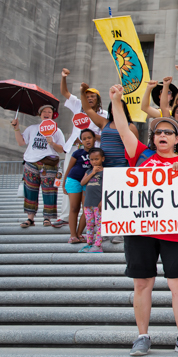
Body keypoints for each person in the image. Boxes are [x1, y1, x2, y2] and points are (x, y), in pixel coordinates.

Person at [109, 84, 178, 357]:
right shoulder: (141, 155)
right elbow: (121, 128)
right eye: (158, 132)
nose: (162, 135)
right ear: (152, 138)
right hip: (141, 229)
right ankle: (142, 336)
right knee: (142, 283)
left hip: (176, 232)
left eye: (169, 132)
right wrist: (117, 102)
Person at [54, 68, 107, 229]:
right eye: (87, 96)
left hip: (93, 154)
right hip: (74, 150)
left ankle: (92, 219)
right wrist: (63, 77)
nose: (89, 99)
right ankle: (64, 215)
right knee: (71, 180)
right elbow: (64, 92)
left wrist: (89, 138)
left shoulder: (104, 114)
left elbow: (105, 134)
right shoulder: (78, 105)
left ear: (98, 99)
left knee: (92, 184)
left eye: (92, 97)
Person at [12, 104, 65, 228]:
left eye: (49, 112)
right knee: (30, 191)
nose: (47, 114)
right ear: (40, 114)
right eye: (44, 112)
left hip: (48, 164)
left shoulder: (57, 130)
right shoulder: (32, 128)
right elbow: (21, 142)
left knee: (49, 191)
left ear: (53, 115)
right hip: (31, 162)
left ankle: (47, 218)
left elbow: (62, 149)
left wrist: (52, 142)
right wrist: (16, 128)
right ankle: (30, 218)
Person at [64, 129, 97, 245]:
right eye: (84, 139)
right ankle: (72, 235)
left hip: (89, 183)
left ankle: (79, 233)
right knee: (74, 208)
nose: (87, 140)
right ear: (81, 141)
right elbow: (69, 169)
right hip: (73, 180)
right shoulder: (77, 153)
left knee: (87, 209)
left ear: (94, 138)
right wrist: (64, 183)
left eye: (89, 138)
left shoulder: (97, 153)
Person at [79, 148, 105, 253]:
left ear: (102, 159)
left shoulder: (104, 172)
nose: (94, 161)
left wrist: (102, 200)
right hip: (88, 202)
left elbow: (106, 187)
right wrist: (92, 172)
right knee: (89, 223)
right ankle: (89, 243)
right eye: (92, 159)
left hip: (97, 203)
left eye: (96, 159)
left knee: (99, 223)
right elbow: (82, 183)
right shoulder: (89, 171)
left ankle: (98, 245)